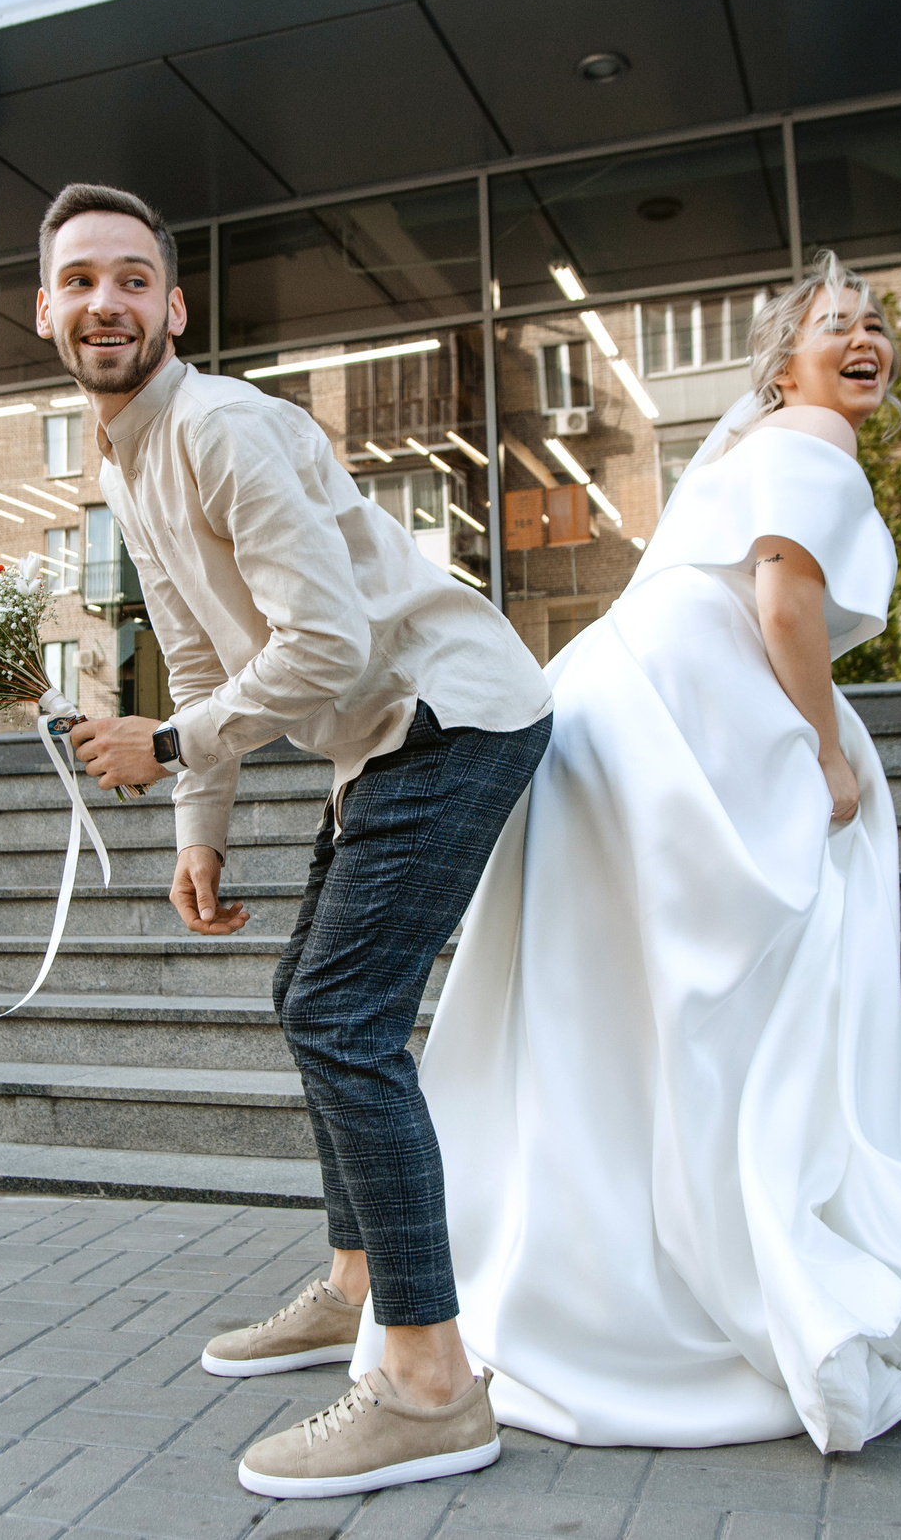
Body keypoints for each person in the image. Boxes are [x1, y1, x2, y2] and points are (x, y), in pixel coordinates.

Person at [354, 252, 901, 1453]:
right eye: (835, 323)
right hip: (688, 717)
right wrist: (825, 753)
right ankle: (694, 1256)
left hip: (613, 700)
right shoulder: (814, 440)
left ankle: (563, 1269)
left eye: (877, 323)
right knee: (735, 992)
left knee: (609, 1004)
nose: (866, 339)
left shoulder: (750, 444)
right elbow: (786, 601)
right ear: (782, 360)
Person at [46, 183, 554, 1498]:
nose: (106, 300)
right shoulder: (126, 459)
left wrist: (165, 748)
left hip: (455, 714)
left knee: (341, 1010)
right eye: (80, 280)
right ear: (46, 311)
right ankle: (353, 1284)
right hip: (375, 733)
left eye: (131, 278)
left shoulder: (214, 426)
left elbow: (323, 641)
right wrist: (197, 825)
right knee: (305, 991)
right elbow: (201, 646)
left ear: (174, 305)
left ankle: (433, 1385)